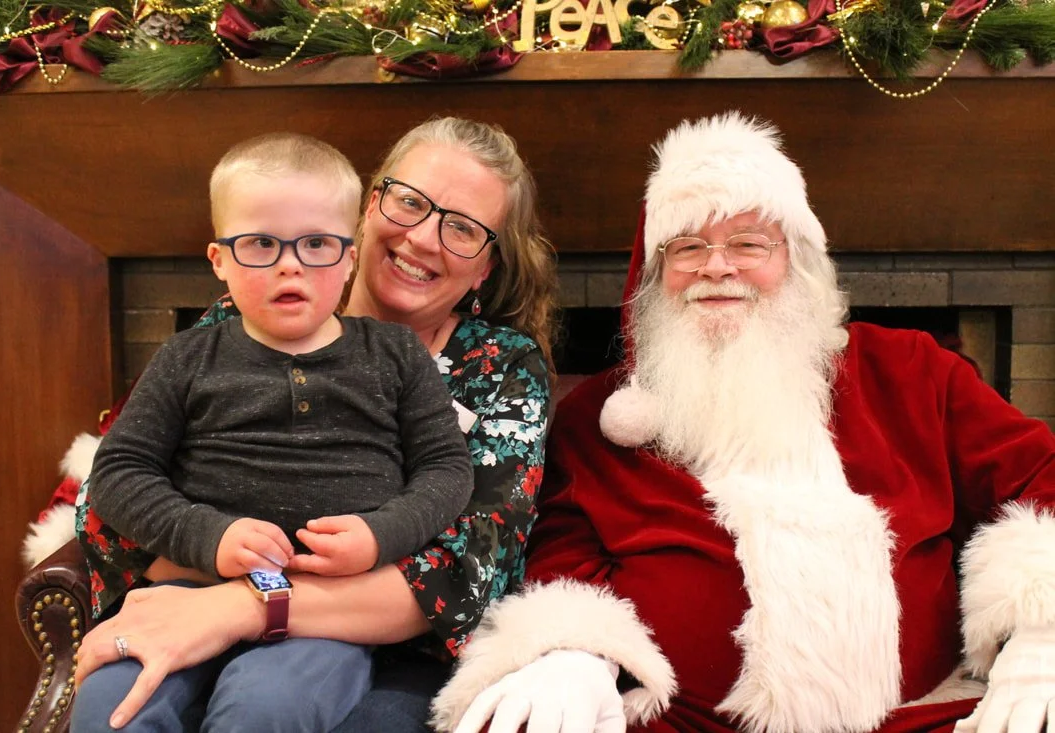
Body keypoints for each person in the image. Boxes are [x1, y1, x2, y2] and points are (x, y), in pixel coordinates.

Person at [430, 112, 1055, 733]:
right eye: (688, 247)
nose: (717, 267)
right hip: (680, 722)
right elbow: (561, 550)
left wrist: (1039, 633)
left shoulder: (911, 370)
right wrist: (573, 651)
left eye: (749, 243)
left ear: (797, 261)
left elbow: (1041, 477)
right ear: (655, 276)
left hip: (919, 717)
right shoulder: (599, 416)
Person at [71, 116, 558, 732]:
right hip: (197, 594)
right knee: (116, 707)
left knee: (274, 711)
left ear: (485, 267)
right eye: (410, 203)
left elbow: (467, 569)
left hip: (389, 652)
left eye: (462, 228)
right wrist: (214, 556)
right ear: (367, 208)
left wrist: (246, 606)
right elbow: (106, 506)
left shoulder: (502, 367)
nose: (424, 239)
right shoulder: (236, 323)